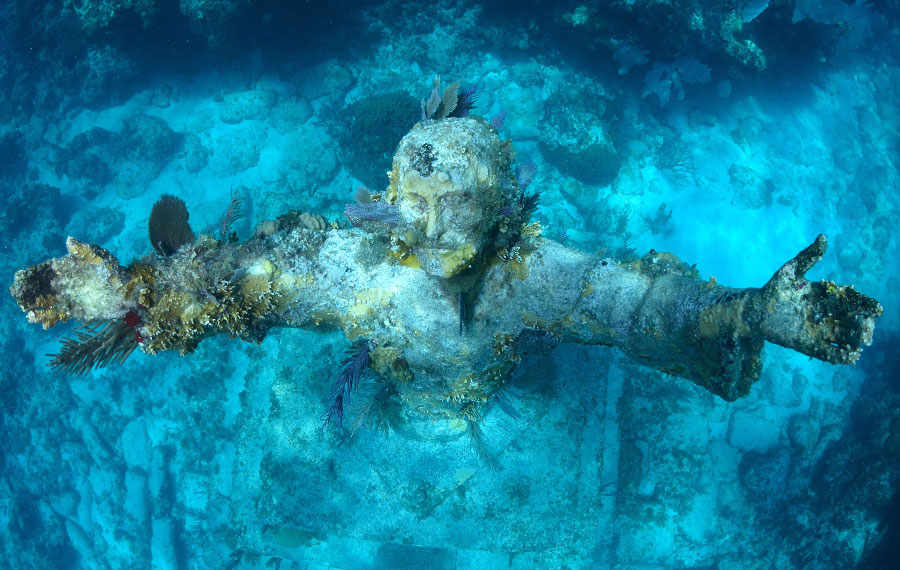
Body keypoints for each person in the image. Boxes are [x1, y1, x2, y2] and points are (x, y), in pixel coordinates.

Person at [9, 117, 882, 427]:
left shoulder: (531, 274)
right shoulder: (355, 262)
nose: (418, 213)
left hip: (480, 370)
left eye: (445, 199)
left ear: (499, 209)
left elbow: (638, 299)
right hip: (405, 369)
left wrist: (749, 313)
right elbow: (251, 276)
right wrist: (137, 293)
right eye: (410, 190)